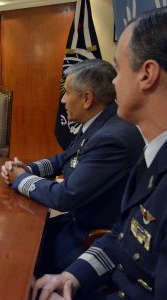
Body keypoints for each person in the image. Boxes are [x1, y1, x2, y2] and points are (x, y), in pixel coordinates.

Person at [32, 7, 167, 300]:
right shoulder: (153, 158)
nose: (113, 84)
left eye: (118, 70)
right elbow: (123, 236)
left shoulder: (123, 139)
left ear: (147, 74)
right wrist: (71, 277)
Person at [1, 60, 144, 277]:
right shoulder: (100, 122)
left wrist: (20, 179)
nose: (63, 99)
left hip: (93, 237)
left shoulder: (110, 137)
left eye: (66, 92)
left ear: (87, 99)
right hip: (80, 220)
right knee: (20, 237)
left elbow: (65, 196)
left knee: (20, 258)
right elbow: (64, 158)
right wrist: (27, 169)